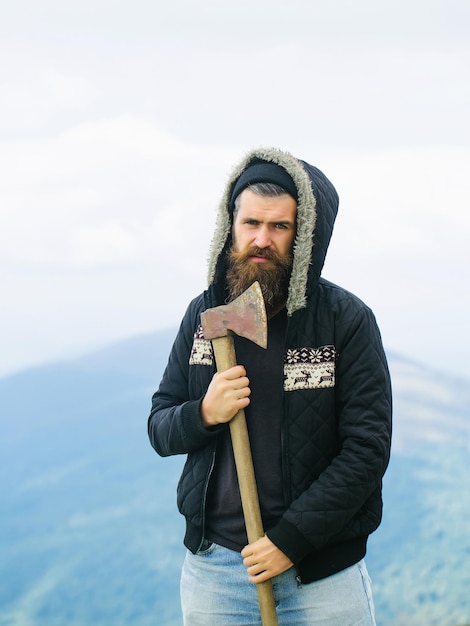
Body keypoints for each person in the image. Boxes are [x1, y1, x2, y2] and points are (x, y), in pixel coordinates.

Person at [148, 147, 392, 625]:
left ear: (304, 237)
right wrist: (203, 414)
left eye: (280, 227)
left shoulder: (344, 321)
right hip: (216, 570)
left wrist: (290, 542)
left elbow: (366, 450)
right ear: (230, 227)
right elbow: (159, 426)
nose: (262, 239)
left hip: (320, 576)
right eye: (251, 223)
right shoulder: (208, 317)